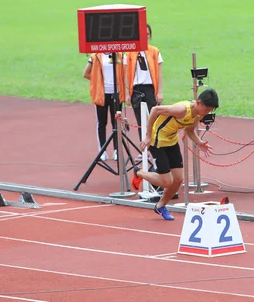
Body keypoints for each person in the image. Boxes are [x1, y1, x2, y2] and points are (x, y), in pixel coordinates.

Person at [134, 88, 219, 220]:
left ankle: (161, 206)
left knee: (178, 179)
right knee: (167, 181)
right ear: (198, 103)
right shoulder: (181, 110)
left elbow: (189, 130)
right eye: (206, 109)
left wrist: (200, 142)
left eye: (209, 111)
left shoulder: (199, 114)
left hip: (171, 141)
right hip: (157, 141)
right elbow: (155, 110)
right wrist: (148, 136)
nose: (207, 113)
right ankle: (138, 173)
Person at [83, 52, 126, 161]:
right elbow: (86, 73)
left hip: (116, 93)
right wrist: (98, 83)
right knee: (102, 123)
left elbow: (125, 73)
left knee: (116, 122)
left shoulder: (120, 55)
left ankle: (117, 150)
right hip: (101, 94)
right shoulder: (95, 56)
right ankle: (102, 151)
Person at [125, 23, 163, 143]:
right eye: (143, 34)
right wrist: (127, 94)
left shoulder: (154, 51)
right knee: (141, 121)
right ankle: (144, 151)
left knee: (154, 119)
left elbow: (159, 73)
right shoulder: (130, 53)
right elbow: (126, 75)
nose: (145, 37)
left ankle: (156, 148)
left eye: (148, 34)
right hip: (136, 89)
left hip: (150, 88)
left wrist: (160, 92)